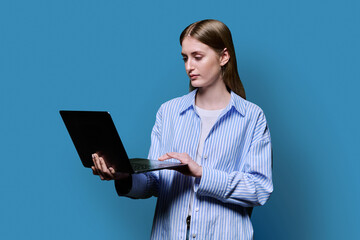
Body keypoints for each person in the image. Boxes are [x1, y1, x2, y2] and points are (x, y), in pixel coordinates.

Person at [91, 19, 273, 239]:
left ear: (224, 56)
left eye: (197, 57)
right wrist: (123, 175)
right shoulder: (168, 112)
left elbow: (259, 189)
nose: (189, 66)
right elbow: (154, 183)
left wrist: (201, 172)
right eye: (185, 58)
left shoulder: (252, 117)